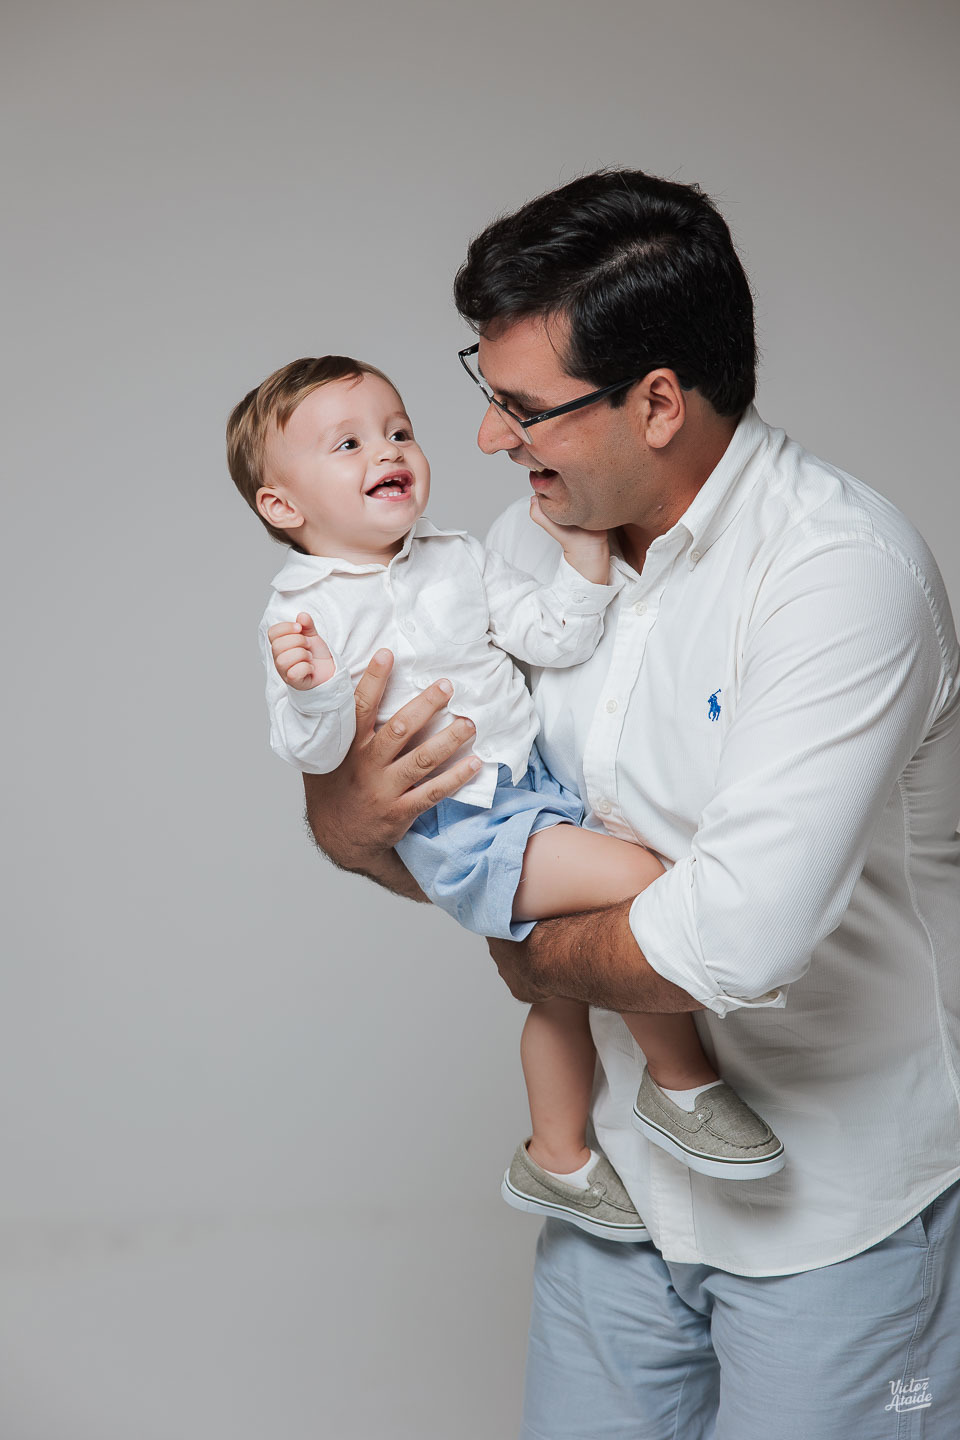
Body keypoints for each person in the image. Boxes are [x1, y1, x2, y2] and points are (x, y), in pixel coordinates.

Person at [299, 169, 960, 1439]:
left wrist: (523, 946)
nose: (488, 441)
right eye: (484, 396)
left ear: (659, 401)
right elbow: (439, 821)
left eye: (523, 407)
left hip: (837, 1223)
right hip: (615, 1190)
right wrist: (348, 820)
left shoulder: (839, 580)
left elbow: (733, 942)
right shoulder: (514, 555)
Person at [226, 353, 784, 1247]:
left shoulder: (458, 557)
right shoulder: (303, 613)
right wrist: (311, 690)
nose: (387, 450)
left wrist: (581, 559)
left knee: (561, 995)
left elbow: (550, 637)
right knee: (640, 877)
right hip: (459, 824)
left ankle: (556, 1154)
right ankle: (682, 1085)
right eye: (349, 444)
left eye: (398, 430)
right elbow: (315, 750)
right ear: (283, 507)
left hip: (530, 791)